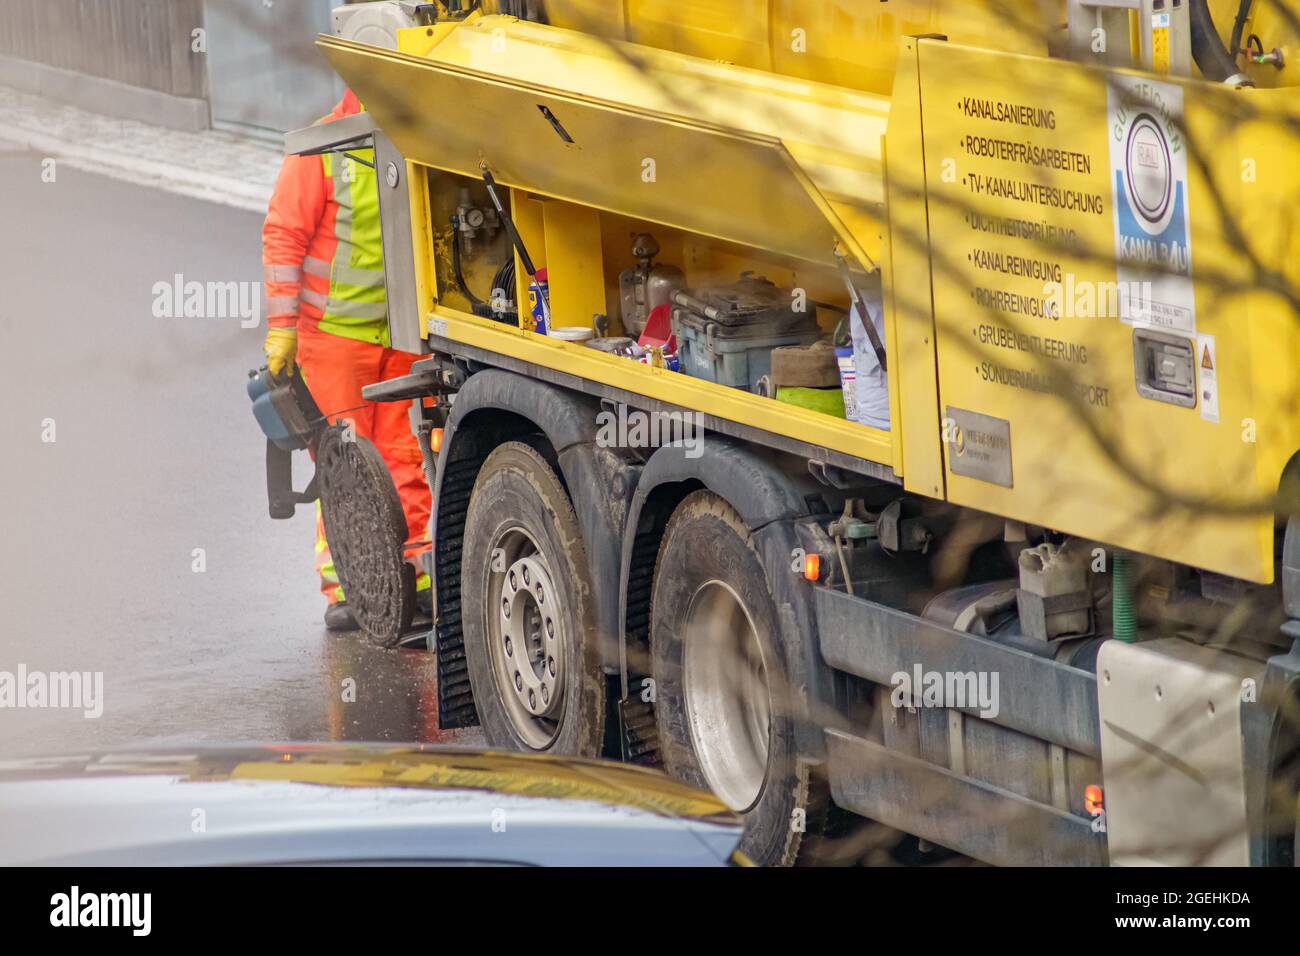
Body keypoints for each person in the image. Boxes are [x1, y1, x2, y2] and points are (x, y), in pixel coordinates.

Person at [262, 89, 431, 631]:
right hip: (334, 339)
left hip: (401, 336)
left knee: (407, 456)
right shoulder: (318, 152)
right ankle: (348, 588)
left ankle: (413, 579)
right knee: (345, 465)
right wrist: (282, 332)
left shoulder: (412, 139)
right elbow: (284, 240)